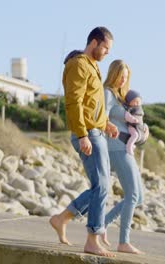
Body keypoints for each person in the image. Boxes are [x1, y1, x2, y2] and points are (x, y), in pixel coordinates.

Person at [49, 26, 118, 257]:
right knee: (101, 187)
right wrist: (82, 135)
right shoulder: (79, 64)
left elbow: (91, 103)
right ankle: (92, 240)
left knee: (101, 187)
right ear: (95, 43)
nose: (107, 53)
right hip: (87, 133)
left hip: (96, 131)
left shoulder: (93, 66)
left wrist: (105, 122)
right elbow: (74, 102)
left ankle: (62, 219)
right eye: (106, 48)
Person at [101, 60, 149, 254]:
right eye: (121, 76)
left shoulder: (122, 98)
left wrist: (143, 134)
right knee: (133, 195)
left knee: (139, 198)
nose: (123, 80)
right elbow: (102, 118)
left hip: (126, 149)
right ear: (113, 74)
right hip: (116, 149)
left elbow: (132, 126)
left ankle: (102, 223)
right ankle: (123, 242)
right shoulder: (107, 93)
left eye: (126, 77)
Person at [123, 90, 148, 155]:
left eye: (138, 102)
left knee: (140, 134)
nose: (136, 104)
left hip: (139, 126)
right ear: (129, 102)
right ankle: (129, 146)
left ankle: (132, 144)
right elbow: (126, 113)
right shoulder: (129, 108)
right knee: (135, 135)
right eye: (134, 101)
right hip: (132, 125)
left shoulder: (140, 109)